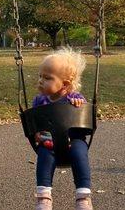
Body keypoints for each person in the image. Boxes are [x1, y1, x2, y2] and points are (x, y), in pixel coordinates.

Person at [31, 48, 93, 210]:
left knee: (80, 152)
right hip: (48, 142)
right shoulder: (39, 101)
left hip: (73, 140)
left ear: (65, 84)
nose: (41, 81)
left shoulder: (75, 98)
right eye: (40, 76)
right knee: (44, 155)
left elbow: (83, 121)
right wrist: (36, 134)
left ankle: (83, 197)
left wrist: (80, 106)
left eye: (47, 78)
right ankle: (44, 197)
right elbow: (35, 124)